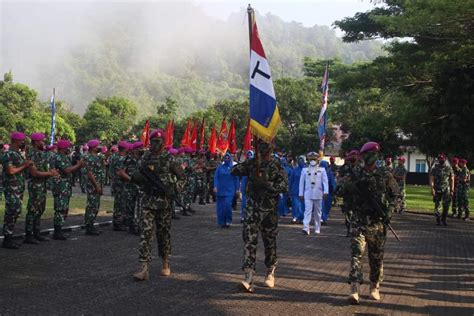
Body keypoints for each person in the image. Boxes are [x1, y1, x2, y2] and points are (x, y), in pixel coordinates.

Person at [231, 139, 288, 293]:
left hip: (269, 211)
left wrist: (267, 185)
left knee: (269, 242)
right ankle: (248, 277)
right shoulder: (252, 163)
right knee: (249, 241)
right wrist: (246, 161)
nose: (263, 151)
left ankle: (270, 271)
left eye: (265, 148)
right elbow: (234, 171)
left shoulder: (276, 165)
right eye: (260, 147)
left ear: (271, 149)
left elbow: (284, 186)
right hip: (252, 208)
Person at [348, 142, 399, 305]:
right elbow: (341, 189)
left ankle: (374, 286)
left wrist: (390, 211)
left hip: (377, 224)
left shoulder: (385, 174)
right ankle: (354, 288)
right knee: (357, 254)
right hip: (359, 221)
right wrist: (353, 187)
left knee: (376, 258)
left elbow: (395, 194)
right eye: (369, 154)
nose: (372, 157)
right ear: (363, 156)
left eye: (374, 154)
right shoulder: (355, 172)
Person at [132, 129, 184, 281]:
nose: (155, 145)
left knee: (163, 234)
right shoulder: (145, 159)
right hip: (148, 201)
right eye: (153, 142)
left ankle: (165, 262)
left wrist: (174, 189)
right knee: (145, 233)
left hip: (164, 203)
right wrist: (140, 180)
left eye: (158, 142)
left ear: (163, 143)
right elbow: (137, 175)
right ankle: (143, 267)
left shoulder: (169, 159)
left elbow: (182, 177)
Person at [24, 133, 59, 244]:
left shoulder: (41, 154)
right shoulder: (32, 154)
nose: (43, 143)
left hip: (42, 185)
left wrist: (50, 173)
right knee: (33, 210)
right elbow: (34, 173)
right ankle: (29, 235)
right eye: (42, 141)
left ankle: (36, 233)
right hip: (35, 185)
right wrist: (50, 173)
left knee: (40, 209)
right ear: (36, 142)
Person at [2, 132, 32, 249]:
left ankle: (9, 236)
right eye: (21, 141)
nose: (23, 143)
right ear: (15, 141)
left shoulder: (17, 154)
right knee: (12, 211)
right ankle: (7, 238)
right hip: (11, 187)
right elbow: (11, 171)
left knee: (16, 211)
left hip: (17, 187)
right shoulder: (9, 154)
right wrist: (25, 165)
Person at [51, 139, 84, 240]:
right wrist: (79, 165)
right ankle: (57, 231)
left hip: (65, 187)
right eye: (67, 147)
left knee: (64, 209)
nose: (69, 148)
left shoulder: (65, 157)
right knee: (60, 209)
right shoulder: (58, 157)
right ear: (62, 148)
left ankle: (59, 230)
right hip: (60, 187)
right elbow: (67, 170)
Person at [298, 152, 328, 235]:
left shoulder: (322, 170)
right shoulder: (304, 170)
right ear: (308, 160)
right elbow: (301, 183)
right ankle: (305, 228)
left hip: (318, 193)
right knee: (307, 211)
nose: (312, 161)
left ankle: (317, 228)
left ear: (317, 160)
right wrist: (301, 193)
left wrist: (326, 192)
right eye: (311, 159)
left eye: (314, 159)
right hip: (308, 193)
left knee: (318, 212)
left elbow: (325, 182)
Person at [84, 139, 106, 235]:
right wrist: (97, 186)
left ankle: (91, 225)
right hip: (93, 186)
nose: (99, 147)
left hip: (97, 185)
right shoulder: (89, 158)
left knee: (95, 206)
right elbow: (90, 173)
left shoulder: (96, 157)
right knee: (92, 206)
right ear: (93, 147)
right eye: (98, 146)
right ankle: (89, 227)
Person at [336, 150, 360, 237]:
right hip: (348, 195)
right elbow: (340, 181)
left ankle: (355, 229)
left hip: (358, 196)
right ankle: (349, 230)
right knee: (348, 213)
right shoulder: (344, 169)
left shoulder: (361, 169)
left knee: (357, 214)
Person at [214, 152, 240, 228]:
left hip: (230, 190)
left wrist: (237, 189)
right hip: (220, 190)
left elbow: (236, 179)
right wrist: (215, 186)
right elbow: (216, 177)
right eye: (225, 157)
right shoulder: (220, 167)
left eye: (228, 158)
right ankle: (221, 222)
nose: (227, 159)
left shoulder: (233, 168)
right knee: (220, 207)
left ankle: (228, 221)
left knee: (227, 206)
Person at [430, 154, 454, 226]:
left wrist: (452, 190)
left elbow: (452, 179)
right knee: (437, 205)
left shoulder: (448, 168)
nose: (441, 160)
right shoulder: (435, 169)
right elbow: (432, 179)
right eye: (440, 159)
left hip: (446, 189)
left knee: (446, 206)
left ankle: (444, 219)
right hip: (437, 189)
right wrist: (432, 189)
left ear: (445, 159)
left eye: (442, 159)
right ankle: (438, 219)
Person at [110, 141, 129, 231]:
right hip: (120, 183)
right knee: (119, 203)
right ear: (125, 149)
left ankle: (118, 221)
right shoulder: (120, 158)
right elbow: (119, 172)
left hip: (116, 182)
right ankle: (118, 223)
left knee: (118, 202)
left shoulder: (114, 156)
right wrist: (130, 178)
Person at [289, 155, 305, 224]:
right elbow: (291, 180)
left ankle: (302, 218)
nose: (300, 161)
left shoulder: (307, 170)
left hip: (304, 191)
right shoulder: (294, 170)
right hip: (295, 190)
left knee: (302, 205)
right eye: (299, 160)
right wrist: (289, 189)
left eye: (302, 160)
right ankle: (295, 217)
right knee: (295, 205)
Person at [320, 160, 336, 225]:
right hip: (321, 192)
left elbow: (332, 182)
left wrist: (333, 189)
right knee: (322, 206)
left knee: (326, 206)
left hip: (328, 192)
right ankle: (322, 218)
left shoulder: (329, 173)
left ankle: (324, 218)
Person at [240, 150, 254, 223]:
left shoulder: (256, 166)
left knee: (252, 204)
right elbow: (242, 177)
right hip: (245, 187)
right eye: (248, 156)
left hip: (253, 188)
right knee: (244, 203)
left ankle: (251, 216)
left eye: (250, 156)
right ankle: (243, 216)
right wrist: (242, 188)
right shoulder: (244, 166)